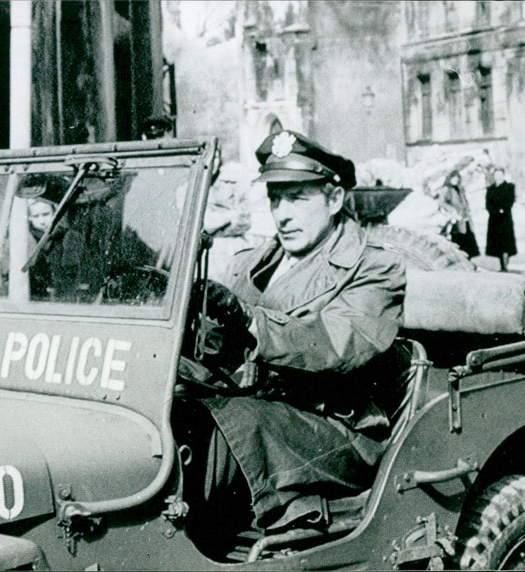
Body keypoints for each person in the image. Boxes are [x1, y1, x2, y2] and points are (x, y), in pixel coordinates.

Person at [177, 131, 406, 553]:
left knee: (217, 428)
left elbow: (336, 342)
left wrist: (250, 322)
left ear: (334, 200)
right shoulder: (254, 261)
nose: (282, 214)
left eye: (297, 198)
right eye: (275, 199)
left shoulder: (375, 268)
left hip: (336, 429)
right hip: (259, 408)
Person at [437, 170, 479, 259]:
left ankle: (468, 260)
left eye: (457, 179)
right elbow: (441, 202)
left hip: (465, 218)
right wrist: (452, 210)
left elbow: (464, 201)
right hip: (455, 219)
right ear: (450, 179)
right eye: (454, 179)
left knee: (468, 240)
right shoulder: (446, 189)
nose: (456, 181)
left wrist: (467, 209)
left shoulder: (460, 188)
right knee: (459, 240)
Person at [485, 167, 517, 272]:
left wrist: (502, 209)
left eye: (500, 175)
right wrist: (494, 210)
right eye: (496, 175)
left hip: (505, 219)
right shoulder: (490, 189)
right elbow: (488, 204)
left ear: (503, 175)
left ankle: (505, 263)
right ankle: (501, 264)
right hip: (494, 219)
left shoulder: (509, 187)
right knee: (497, 243)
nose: (498, 177)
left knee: (506, 242)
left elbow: (510, 201)